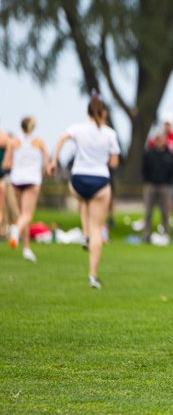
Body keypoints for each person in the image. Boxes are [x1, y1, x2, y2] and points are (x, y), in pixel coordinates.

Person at [49, 94, 120, 288]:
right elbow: (114, 162)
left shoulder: (78, 129)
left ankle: (85, 233)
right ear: (104, 112)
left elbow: (61, 138)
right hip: (100, 181)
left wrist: (53, 161)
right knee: (98, 227)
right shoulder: (109, 134)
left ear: (87, 111)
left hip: (78, 180)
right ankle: (93, 275)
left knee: (83, 199)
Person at [3, 116, 49, 262]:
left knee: (21, 216)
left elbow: (6, 164)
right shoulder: (39, 141)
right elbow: (47, 163)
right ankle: (15, 230)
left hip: (17, 180)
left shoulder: (13, 141)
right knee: (27, 215)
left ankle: (26, 248)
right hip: (32, 180)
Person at [141, 130, 173, 242]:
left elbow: (172, 170)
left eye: (161, 139)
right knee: (148, 211)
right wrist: (147, 181)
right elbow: (144, 169)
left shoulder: (169, 155)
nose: (159, 141)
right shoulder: (149, 154)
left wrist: (168, 181)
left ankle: (165, 234)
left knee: (165, 211)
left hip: (164, 185)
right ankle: (147, 234)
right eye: (157, 139)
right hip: (151, 184)